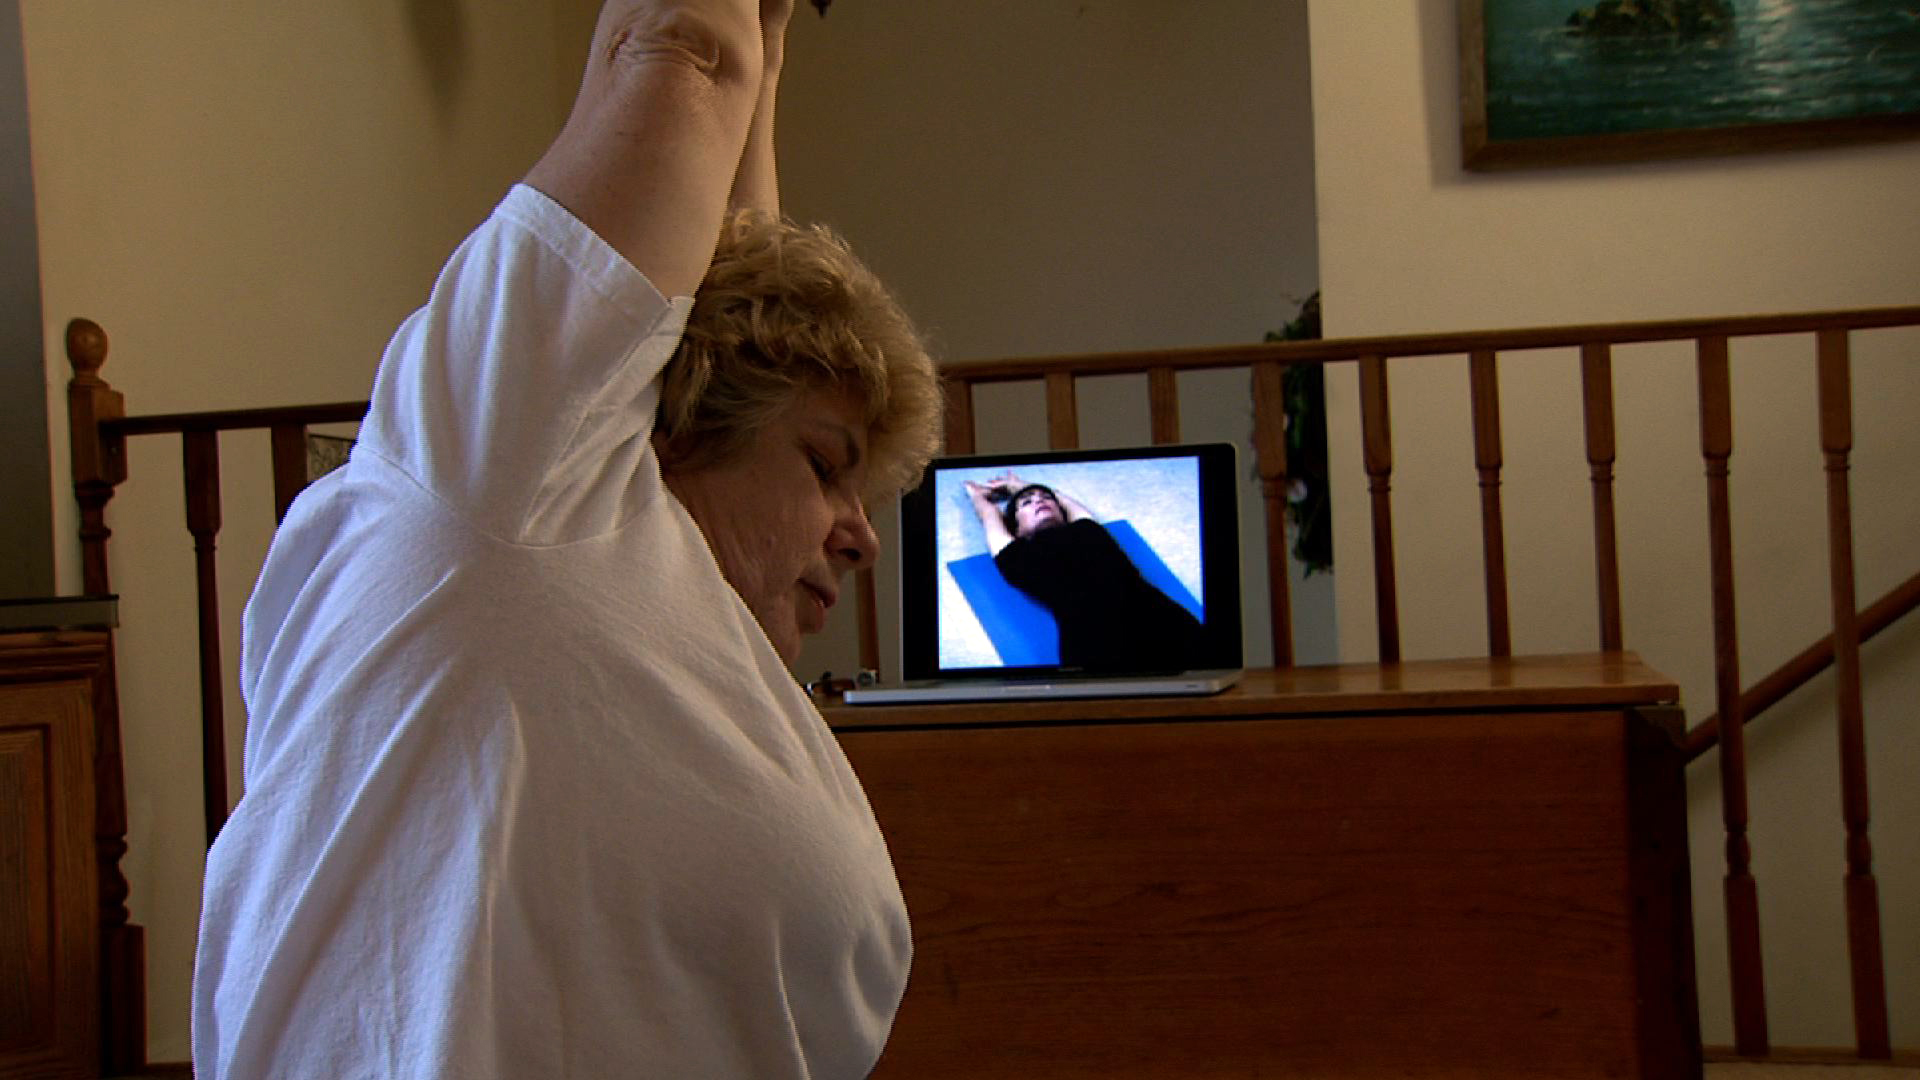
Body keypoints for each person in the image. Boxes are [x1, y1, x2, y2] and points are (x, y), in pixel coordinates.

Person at [191, 1, 942, 1076]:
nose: (862, 537)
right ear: (682, 423)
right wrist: (733, 50)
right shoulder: (514, 484)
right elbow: (680, 53)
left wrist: (772, 49)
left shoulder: (692, 640)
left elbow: (741, 280)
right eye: (826, 467)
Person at [963, 472, 1207, 673]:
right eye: (1027, 503)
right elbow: (989, 516)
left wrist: (1020, 486)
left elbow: (1067, 503)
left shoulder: (1088, 531)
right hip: (1097, 649)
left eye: (1045, 499)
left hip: (1167, 626)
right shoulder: (1018, 557)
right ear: (1015, 529)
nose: (1039, 501)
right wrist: (978, 497)